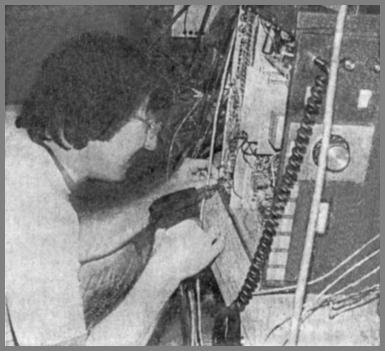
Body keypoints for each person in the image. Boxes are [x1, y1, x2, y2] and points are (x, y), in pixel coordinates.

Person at [5, 32, 224, 346]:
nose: (152, 143)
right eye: (147, 124)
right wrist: (165, 272)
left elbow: (69, 240)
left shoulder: (17, 138)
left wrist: (167, 189)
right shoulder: (36, 206)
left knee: (126, 258)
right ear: (102, 111)